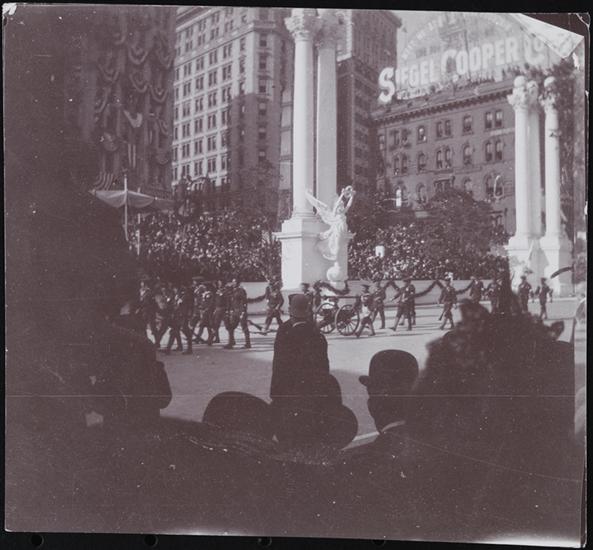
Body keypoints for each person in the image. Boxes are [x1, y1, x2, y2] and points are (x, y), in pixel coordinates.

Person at [224, 278, 251, 349]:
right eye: (232, 281)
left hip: (241, 311)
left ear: (238, 283)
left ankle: (248, 344)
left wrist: (243, 312)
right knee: (231, 327)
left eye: (235, 282)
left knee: (244, 327)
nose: (233, 283)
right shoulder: (232, 291)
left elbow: (244, 302)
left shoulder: (241, 291)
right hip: (235, 312)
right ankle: (230, 343)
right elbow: (232, 302)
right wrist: (230, 310)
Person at [207, 280, 227, 345]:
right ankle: (214, 339)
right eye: (218, 283)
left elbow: (227, 300)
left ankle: (232, 340)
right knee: (215, 324)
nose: (219, 284)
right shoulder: (217, 291)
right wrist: (214, 308)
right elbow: (215, 300)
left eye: (220, 283)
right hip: (218, 309)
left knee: (228, 326)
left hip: (224, 309)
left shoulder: (226, 291)